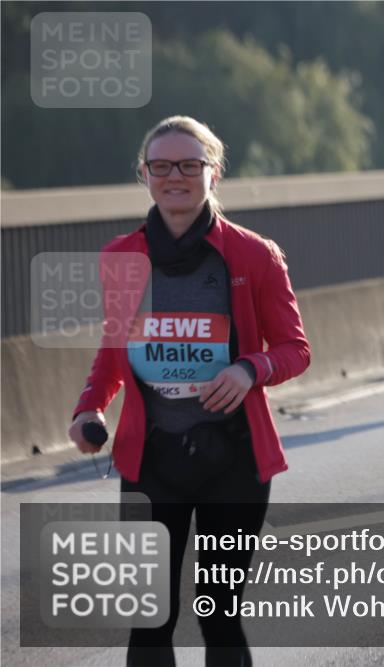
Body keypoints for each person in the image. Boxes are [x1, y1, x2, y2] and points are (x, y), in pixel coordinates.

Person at [68, 116, 311, 666]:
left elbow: (296, 348)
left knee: (219, 613)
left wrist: (251, 368)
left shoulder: (254, 255)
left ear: (214, 173)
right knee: (148, 619)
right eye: (161, 166)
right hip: (150, 461)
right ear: (144, 174)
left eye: (189, 165)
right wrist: (89, 408)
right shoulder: (120, 258)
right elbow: (114, 349)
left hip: (235, 463)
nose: (174, 176)